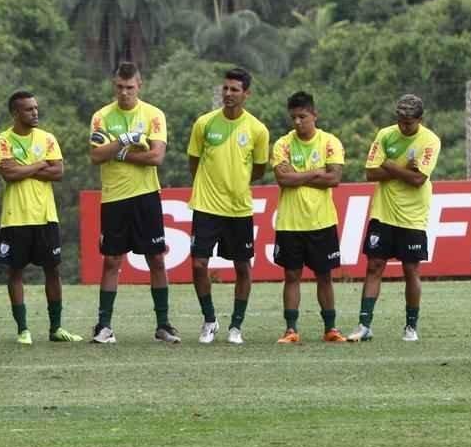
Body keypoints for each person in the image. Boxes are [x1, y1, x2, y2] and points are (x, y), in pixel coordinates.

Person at [88, 62, 178, 344]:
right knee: (112, 260)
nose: (124, 92)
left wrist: (120, 153)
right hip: (114, 197)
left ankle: (163, 325)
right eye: (119, 87)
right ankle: (104, 326)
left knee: (156, 259)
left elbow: (156, 157)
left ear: (140, 85)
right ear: (114, 86)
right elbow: (96, 155)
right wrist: (126, 140)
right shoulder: (101, 117)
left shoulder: (153, 115)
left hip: (146, 195)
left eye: (129, 87)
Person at [187, 67, 269, 345]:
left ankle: (236, 326)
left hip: (238, 209)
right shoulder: (204, 124)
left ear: (246, 94)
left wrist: (236, 182)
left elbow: (258, 169)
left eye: (235, 90)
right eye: (225, 88)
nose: (228, 94)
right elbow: (194, 163)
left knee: (243, 267)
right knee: (199, 264)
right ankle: (210, 320)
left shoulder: (257, 130)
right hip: (206, 206)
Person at [348, 94, 440, 342]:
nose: (403, 125)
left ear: (420, 119)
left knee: (411, 270)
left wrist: (389, 166)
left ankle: (411, 327)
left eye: (408, 121)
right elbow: (370, 173)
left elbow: (418, 179)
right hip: (383, 212)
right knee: (374, 266)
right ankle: (364, 325)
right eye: (400, 119)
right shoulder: (385, 135)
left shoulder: (430, 140)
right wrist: (403, 170)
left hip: (413, 216)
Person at [0, 91, 79, 344]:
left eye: (36, 108)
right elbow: (9, 174)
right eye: (29, 109)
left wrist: (24, 168)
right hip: (15, 217)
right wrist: (40, 164)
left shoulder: (47, 138)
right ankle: (23, 330)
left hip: (45, 216)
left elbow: (58, 171)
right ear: (15, 113)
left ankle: (56, 328)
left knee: (53, 270)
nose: (35, 112)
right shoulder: (2, 141)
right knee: (15, 272)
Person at [271, 92, 347, 343]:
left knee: (324, 276)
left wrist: (299, 175)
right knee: (291, 276)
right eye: (293, 117)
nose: (297, 122)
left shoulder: (329, 143)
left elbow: (334, 179)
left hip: (321, 221)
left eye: (302, 116)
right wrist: (316, 173)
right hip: (290, 223)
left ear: (315, 114)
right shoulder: (282, 144)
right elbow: (283, 179)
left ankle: (331, 329)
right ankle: (291, 329)